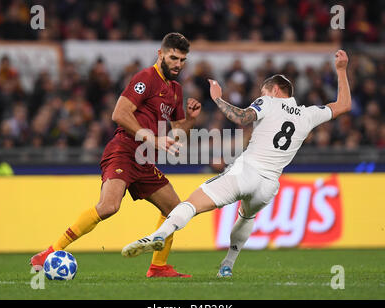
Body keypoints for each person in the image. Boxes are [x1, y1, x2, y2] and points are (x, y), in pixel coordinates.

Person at [122, 50, 351, 277]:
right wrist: (341, 70)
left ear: (275, 90)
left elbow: (241, 117)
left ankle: (159, 235)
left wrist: (217, 98)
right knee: (246, 217)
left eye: (263, 91)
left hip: (246, 171)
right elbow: (343, 105)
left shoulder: (268, 102)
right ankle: (227, 265)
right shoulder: (308, 114)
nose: (261, 95)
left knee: (193, 203)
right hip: (269, 184)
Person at [30, 32, 202, 278]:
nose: (178, 64)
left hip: (144, 159)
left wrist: (191, 121)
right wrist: (151, 138)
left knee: (175, 210)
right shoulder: (145, 78)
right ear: (160, 54)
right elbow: (119, 114)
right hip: (124, 150)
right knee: (109, 206)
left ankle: (158, 267)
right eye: (173, 58)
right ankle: (49, 252)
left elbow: (176, 132)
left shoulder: (175, 89)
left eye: (182, 60)